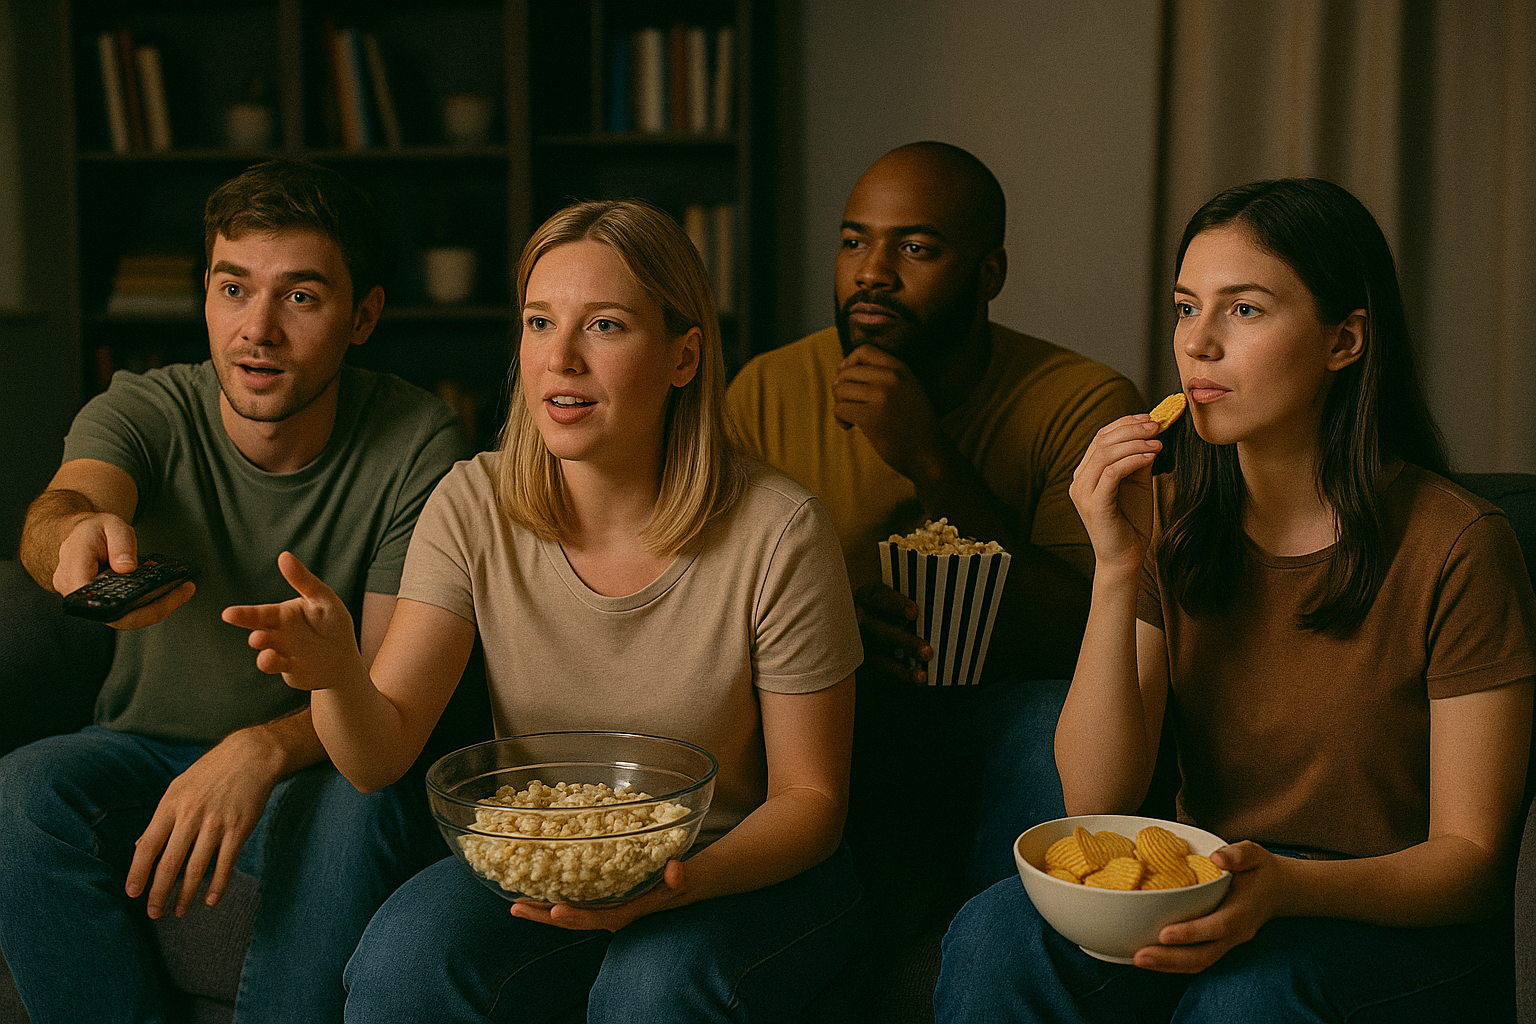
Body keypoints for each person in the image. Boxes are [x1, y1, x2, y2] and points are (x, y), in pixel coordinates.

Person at [223, 198, 867, 1023]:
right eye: (538, 322)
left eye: (604, 326)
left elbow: (811, 802)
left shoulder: (780, 531)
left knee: (649, 990)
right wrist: (338, 675)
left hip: (737, 865)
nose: (560, 358)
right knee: (404, 962)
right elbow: (378, 756)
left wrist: (672, 886)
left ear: (683, 356)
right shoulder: (472, 503)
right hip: (549, 862)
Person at [935, 177, 1536, 1023]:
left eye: (1244, 310)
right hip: (1214, 886)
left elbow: (1472, 863)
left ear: (1344, 340)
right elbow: (1093, 799)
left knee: (1247, 999)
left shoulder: (1459, 545)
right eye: (1186, 308)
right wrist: (1115, 566)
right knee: (995, 933)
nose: (1198, 344)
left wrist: (1286, 887)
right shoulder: (1169, 519)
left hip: (1386, 918)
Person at [0, 159, 470, 1024]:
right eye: (232, 288)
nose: (258, 330)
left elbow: (384, 689)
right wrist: (73, 537)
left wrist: (260, 749)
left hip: (319, 765)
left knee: (358, 804)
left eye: (301, 297)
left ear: (363, 316)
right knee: (20, 792)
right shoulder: (145, 408)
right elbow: (66, 505)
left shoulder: (417, 440)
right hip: (139, 750)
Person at [727, 141, 1145, 895]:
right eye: (853, 242)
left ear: (989, 275)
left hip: (999, 720)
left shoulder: (1083, 401)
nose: (872, 273)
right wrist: (829, 629)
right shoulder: (766, 391)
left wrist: (930, 458)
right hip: (827, 725)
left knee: (1045, 720)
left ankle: (1004, 936)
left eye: (915, 248)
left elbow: (1088, 637)